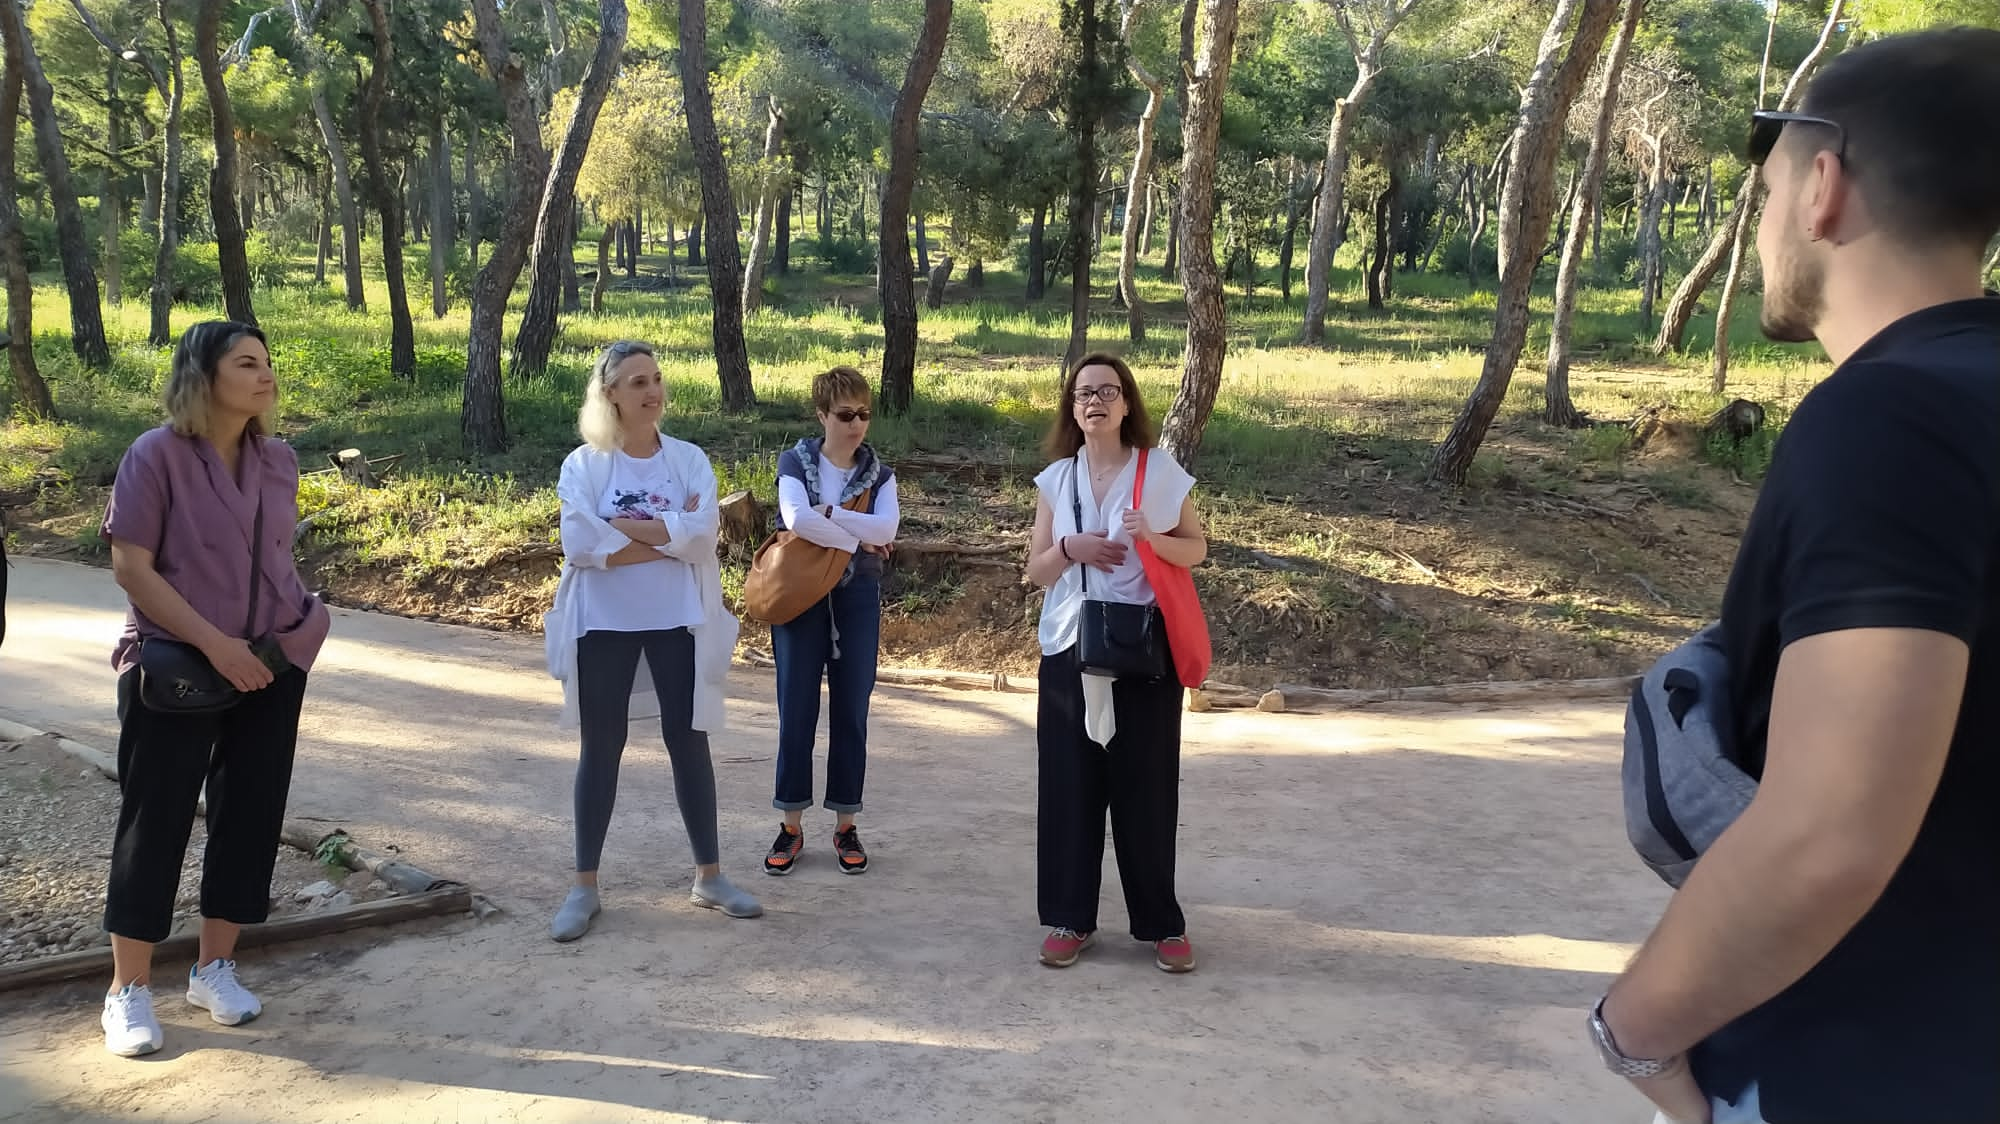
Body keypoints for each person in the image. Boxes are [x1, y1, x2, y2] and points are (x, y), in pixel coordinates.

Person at [1587, 30, 2000, 1124]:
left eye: (1763, 186)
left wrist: (1634, 1031)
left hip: (1875, 1062)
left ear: (1821, 183)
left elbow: (1830, 828)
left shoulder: (1886, 414)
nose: (1761, 221)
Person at [96, 321, 332, 1057]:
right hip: (179, 666)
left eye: (268, 362)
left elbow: (275, 558)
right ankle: (127, 991)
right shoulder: (155, 455)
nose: (266, 376)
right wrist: (215, 644)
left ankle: (215, 967)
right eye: (247, 363)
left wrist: (298, 632)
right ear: (204, 376)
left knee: (251, 815)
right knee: (155, 819)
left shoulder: (280, 460)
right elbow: (133, 568)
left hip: (270, 663)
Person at [543, 341, 759, 942]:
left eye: (657, 378)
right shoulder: (583, 466)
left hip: (676, 618)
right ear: (610, 393)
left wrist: (621, 532)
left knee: (689, 742)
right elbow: (579, 546)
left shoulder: (688, 460)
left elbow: (702, 536)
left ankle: (709, 878)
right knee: (601, 745)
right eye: (637, 381)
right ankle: (584, 886)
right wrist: (665, 535)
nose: (652, 390)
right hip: (604, 624)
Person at [1024, 352, 1206, 973]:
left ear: (1127, 403)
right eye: (1082, 394)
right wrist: (1070, 547)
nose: (1094, 401)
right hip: (1070, 649)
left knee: (1147, 787)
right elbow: (1035, 569)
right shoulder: (1056, 480)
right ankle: (1070, 919)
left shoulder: (1159, 472)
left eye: (1107, 390)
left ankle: (1161, 926)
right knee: (1070, 786)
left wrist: (1154, 540)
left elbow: (1198, 548)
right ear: (1072, 409)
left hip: (1142, 649)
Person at [763, 366, 899, 876]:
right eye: (845, 415)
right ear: (822, 415)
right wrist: (859, 537)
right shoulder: (794, 462)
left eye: (864, 413)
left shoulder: (881, 473)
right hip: (800, 598)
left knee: (852, 715)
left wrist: (833, 516)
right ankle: (791, 825)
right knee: (795, 713)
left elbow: (886, 526)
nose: (857, 424)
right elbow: (796, 520)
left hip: (857, 598)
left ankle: (846, 824)